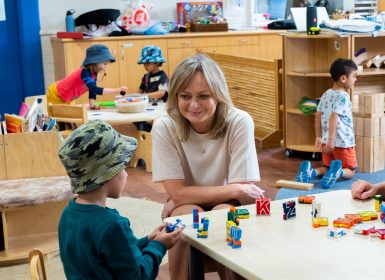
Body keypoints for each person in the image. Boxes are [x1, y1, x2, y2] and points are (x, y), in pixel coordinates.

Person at [152, 54, 265, 280]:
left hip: (226, 202)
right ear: (175, 95)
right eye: (185, 96)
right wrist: (234, 189)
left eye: (203, 96)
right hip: (201, 200)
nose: (193, 105)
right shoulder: (164, 126)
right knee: (182, 219)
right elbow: (236, 188)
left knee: (225, 215)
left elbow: (241, 194)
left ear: (218, 95)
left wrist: (182, 196)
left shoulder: (240, 121)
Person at [58, 120, 183, 280]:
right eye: (123, 167)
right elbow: (139, 276)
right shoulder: (112, 225)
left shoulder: (68, 214)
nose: (126, 173)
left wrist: (148, 241)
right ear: (108, 173)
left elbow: (114, 254)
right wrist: (159, 246)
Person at [296, 58, 358, 189]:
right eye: (354, 76)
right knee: (351, 170)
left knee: (327, 166)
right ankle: (339, 172)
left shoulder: (326, 94)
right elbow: (334, 116)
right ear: (343, 78)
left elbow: (318, 116)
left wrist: (319, 137)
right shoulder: (344, 97)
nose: (355, 79)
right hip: (342, 142)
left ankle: (312, 172)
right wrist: (332, 139)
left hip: (326, 141)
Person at [47, 44, 128, 109]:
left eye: (107, 64)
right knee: (62, 121)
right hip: (57, 94)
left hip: (67, 96)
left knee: (69, 120)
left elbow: (92, 90)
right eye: (104, 64)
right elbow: (95, 89)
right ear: (94, 62)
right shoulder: (85, 72)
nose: (106, 67)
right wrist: (116, 90)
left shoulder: (94, 73)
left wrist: (92, 104)